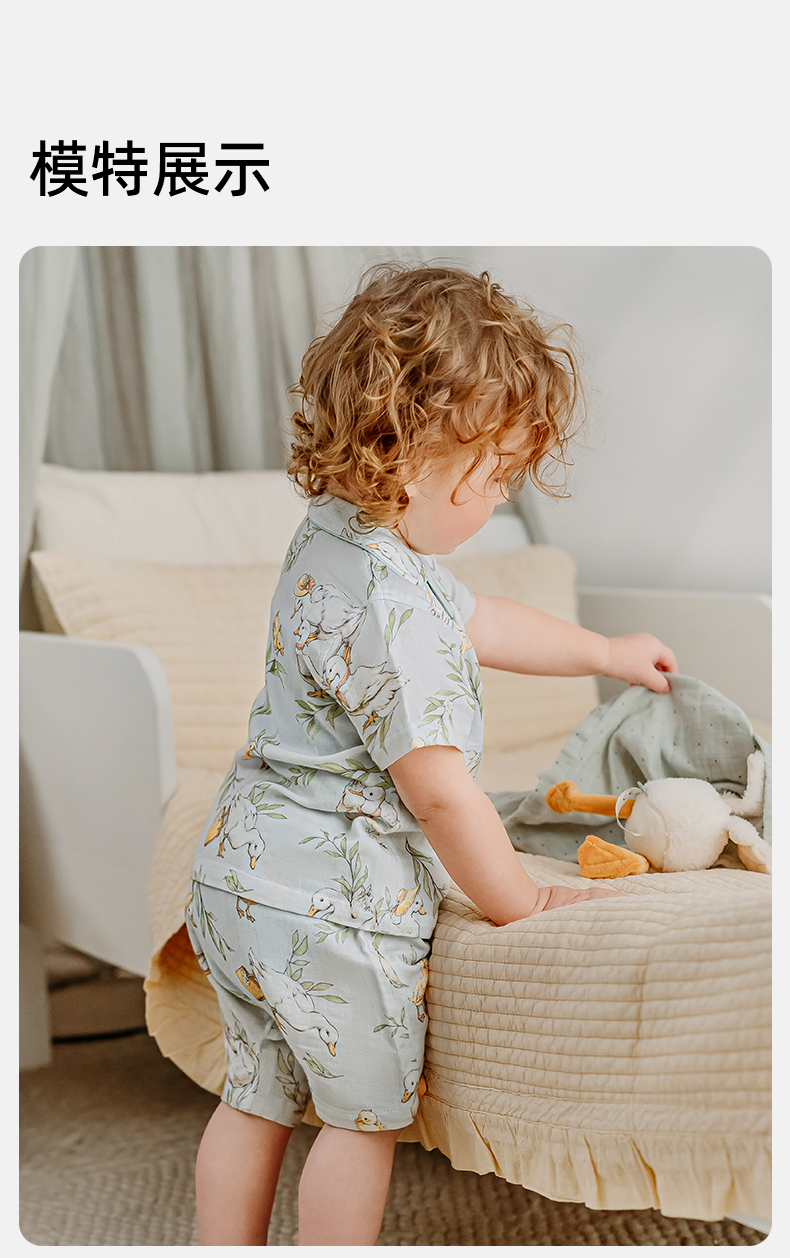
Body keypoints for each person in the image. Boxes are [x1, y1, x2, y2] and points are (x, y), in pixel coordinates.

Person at [185, 264, 677, 1245]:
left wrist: (603, 651)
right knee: (362, 1119)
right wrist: (519, 900)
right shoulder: (396, 608)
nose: (498, 500)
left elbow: (482, 620)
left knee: (254, 1096)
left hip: (237, 877)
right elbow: (441, 794)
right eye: (492, 477)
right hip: (332, 910)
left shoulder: (338, 539)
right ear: (408, 460)